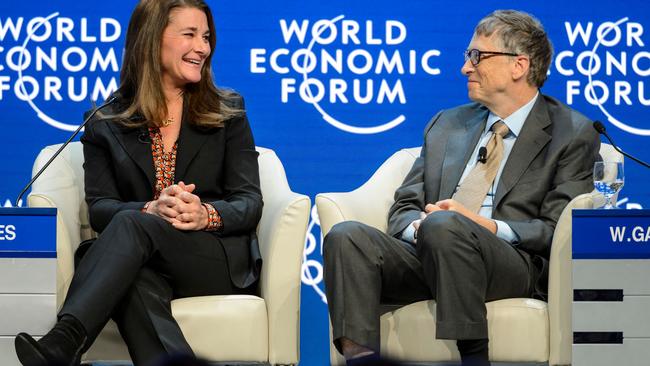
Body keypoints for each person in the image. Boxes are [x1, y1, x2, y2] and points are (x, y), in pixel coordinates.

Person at [323, 9, 600, 366]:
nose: (465, 68)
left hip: (509, 263)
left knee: (447, 225)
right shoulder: (447, 124)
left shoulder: (572, 133)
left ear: (519, 65)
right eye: (468, 57)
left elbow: (557, 227)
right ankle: (361, 359)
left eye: (478, 57)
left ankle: (473, 357)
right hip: (432, 249)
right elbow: (405, 205)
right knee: (347, 237)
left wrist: (486, 227)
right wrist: (420, 228)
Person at [14, 0, 263, 365]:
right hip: (139, 259)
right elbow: (100, 209)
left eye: (206, 36)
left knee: (122, 235)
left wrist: (204, 214)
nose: (203, 48)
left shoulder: (228, 111)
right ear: (151, 39)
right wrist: (150, 208)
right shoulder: (105, 120)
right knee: (128, 273)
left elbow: (249, 201)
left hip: (210, 258)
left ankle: (66, 339)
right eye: (190, 35)